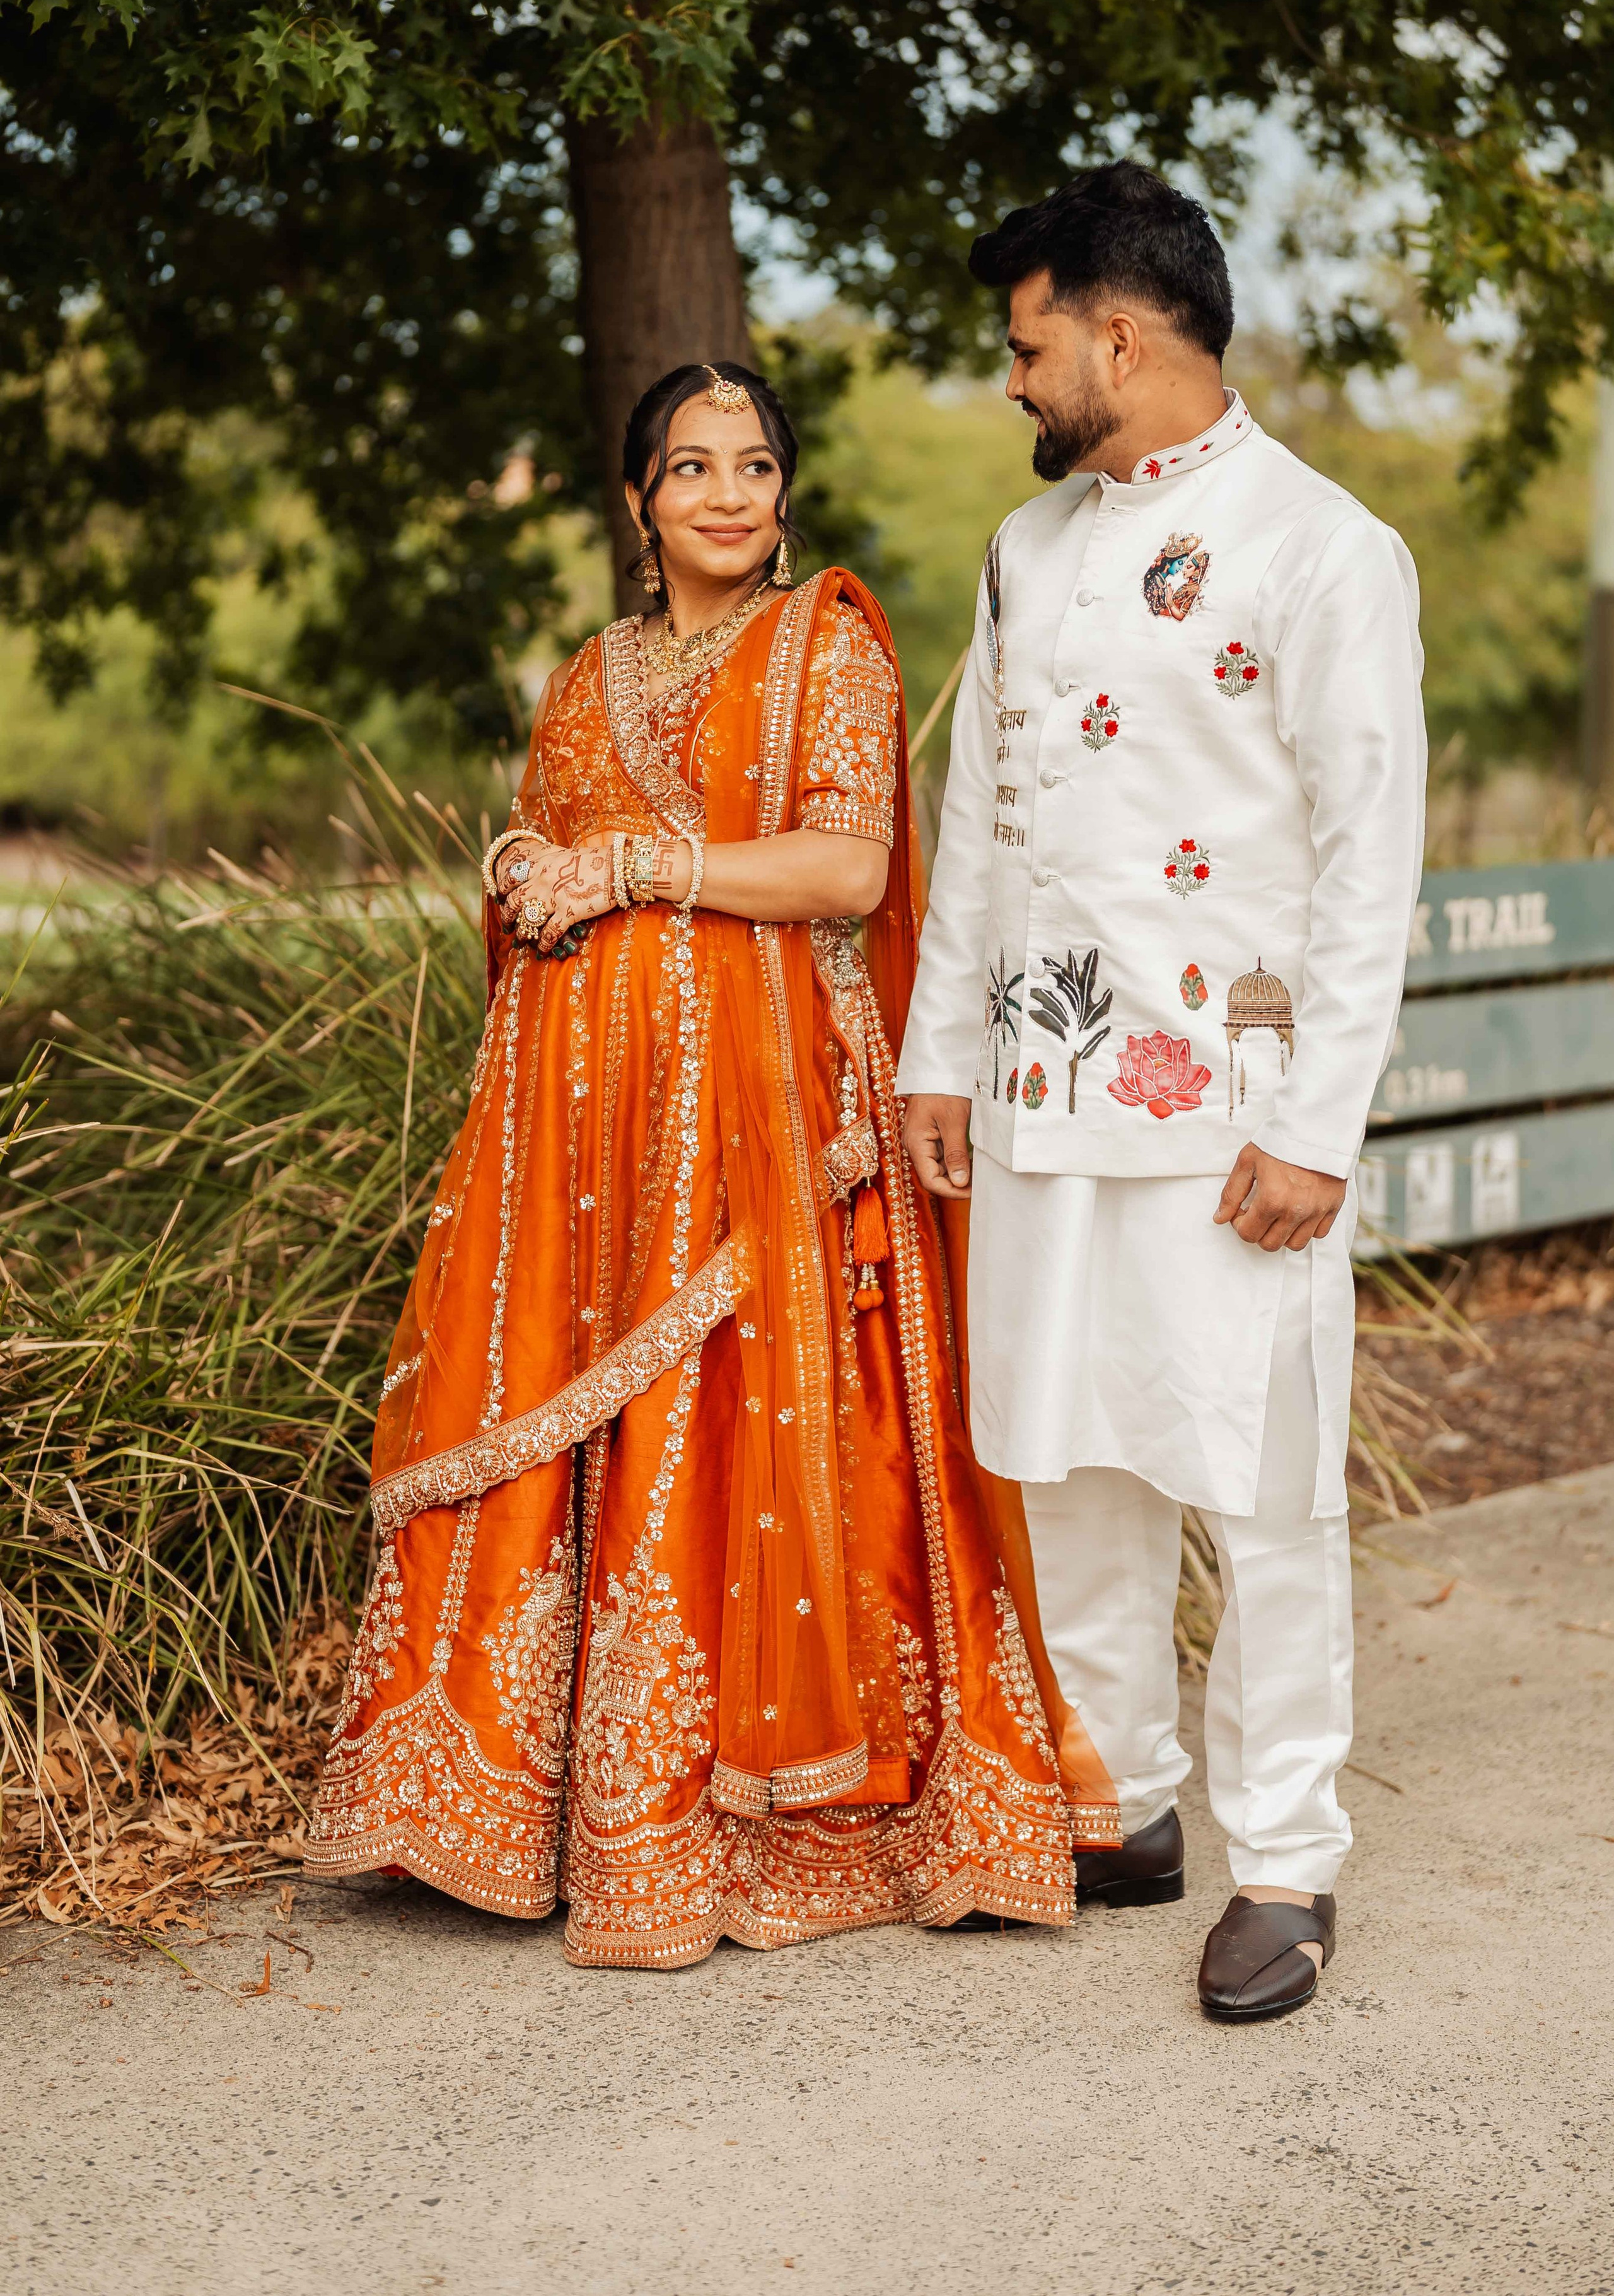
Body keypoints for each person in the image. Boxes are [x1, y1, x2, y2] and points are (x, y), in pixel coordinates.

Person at [308, 359, 1118, 1967]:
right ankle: (531, 1815)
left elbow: (846, 863)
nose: (729, 492)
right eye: (692, 466)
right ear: (637, 499)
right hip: (593, 1137)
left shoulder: (826, 635)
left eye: (754, 463)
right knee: (589, 1422)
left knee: (743, 1429)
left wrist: (627, 864)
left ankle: (750, 1829)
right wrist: (531, 865)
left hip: (777, 1128)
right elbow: (547, 861)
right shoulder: (580, 674)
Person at [897, 163, 1427, 2021]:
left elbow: (1374, 859)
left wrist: (1318, 1125)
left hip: (1234, 1111)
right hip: (1042, 1093)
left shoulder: (1320, 548)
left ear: (1121, 336)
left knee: (1260, 1485)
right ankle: (1122, 1802)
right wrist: (939, 1055)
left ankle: (1286, 1856)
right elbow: (978, 819)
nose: (1016, 381)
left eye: (1030, 345)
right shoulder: (1026, 553)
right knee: (1071, 1454)